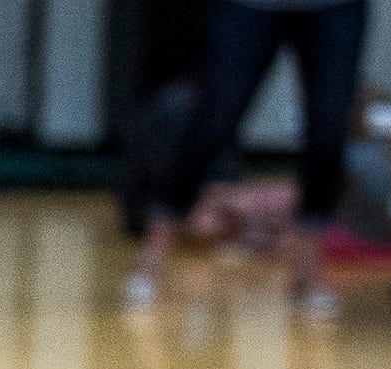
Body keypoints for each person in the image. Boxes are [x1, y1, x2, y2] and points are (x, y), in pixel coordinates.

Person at [125, 0, 371, 318]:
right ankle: (151, 262)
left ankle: (307, 274)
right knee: (214, 119)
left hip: (334, 7)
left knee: (328, 131)